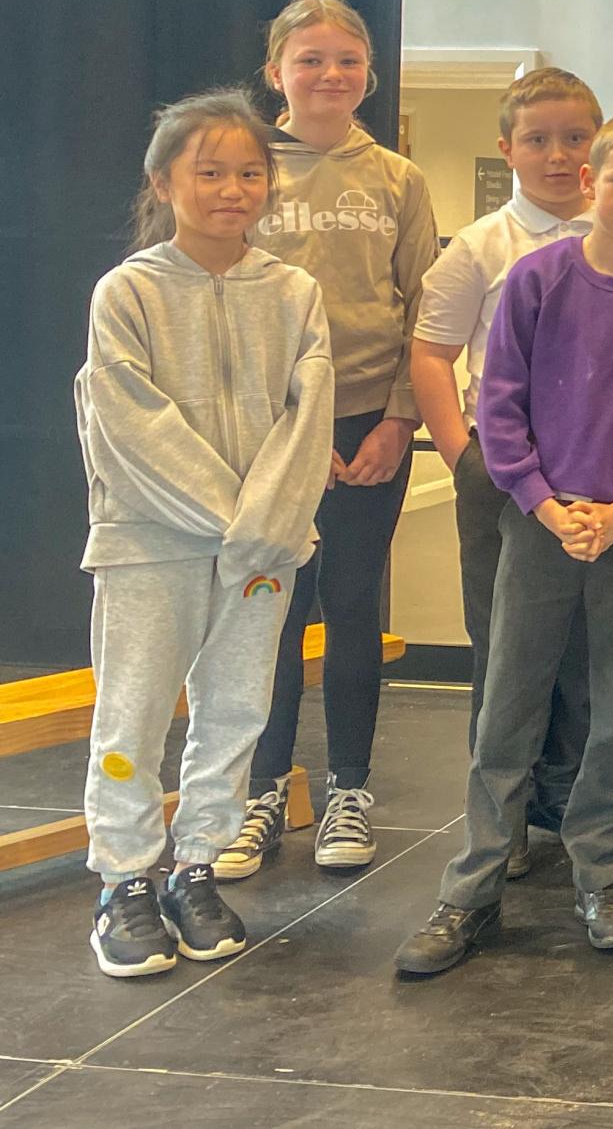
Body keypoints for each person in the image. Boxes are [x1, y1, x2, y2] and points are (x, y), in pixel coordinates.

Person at [395, 111, 613, 975]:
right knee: (509, 702)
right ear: (591, 184)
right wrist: (546, 505)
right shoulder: (538, 280)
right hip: (537, 527)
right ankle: (472, 884)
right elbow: (497, 409)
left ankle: (603, 876)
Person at [77, 89, 334, 975]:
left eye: (250, 171)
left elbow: (310, 416)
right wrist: (233, 521)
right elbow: (127, 420)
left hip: (264, 550)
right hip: (151, 542)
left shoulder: (295, 292)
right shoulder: (128, 294)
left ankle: (197, 866)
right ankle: (123, 879)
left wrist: (265, 530)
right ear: (164, 181)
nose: (233, 188)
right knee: (135, 710)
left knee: (237, 710)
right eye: (210, 171)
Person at [236, 0, 435, 876]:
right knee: (270, 612)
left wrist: (400, 417)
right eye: (310, 59)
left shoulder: (397, 178)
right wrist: (286, 433)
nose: (329, 75)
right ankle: (261, 790)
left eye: (347, 61)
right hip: (268, 427)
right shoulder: (243, 168)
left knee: (351, 606)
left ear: (369, 76)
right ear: (276, 71)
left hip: (368, 425)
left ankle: (349, 789)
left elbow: (423, 305)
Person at [406, 66, 604, 881]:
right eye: (538, 140)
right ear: (507, 149)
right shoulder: (481, 247)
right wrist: (462, 454)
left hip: (595, 474)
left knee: (584, 642)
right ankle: (505, 811)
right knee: (502, 643)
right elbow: (432, 353)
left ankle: (567, 795)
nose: (558, 156)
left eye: (575, 138)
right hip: (503, 469)